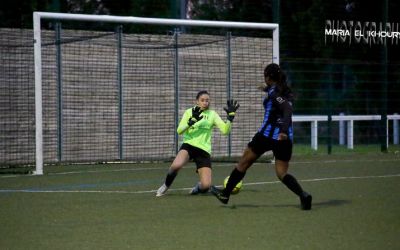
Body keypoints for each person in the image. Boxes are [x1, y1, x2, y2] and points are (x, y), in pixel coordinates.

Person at [211, 63, 312, 210]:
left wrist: (282, 130)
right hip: (285, 140)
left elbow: (286, 108)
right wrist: (266, 89)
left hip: (268, 135)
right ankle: (303, 195)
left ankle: (225, 194)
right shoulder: (285, 90)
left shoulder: (273, 92)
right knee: (282, 173)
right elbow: (283, 101)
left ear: (268, 77)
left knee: (243, 163)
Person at [156, 90, 240, 197]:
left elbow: (225, 131)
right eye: (202, 100)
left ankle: (197, 188)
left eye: (207, 100)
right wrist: (190, 123)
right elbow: (179, 130)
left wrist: (230, 119)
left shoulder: (212, 114)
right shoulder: (189, 112)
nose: (205, 102)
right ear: (197, 101)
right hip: (189, 145)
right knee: (176, 166)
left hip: (203, 150)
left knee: (205, 186)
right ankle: (165, 186)